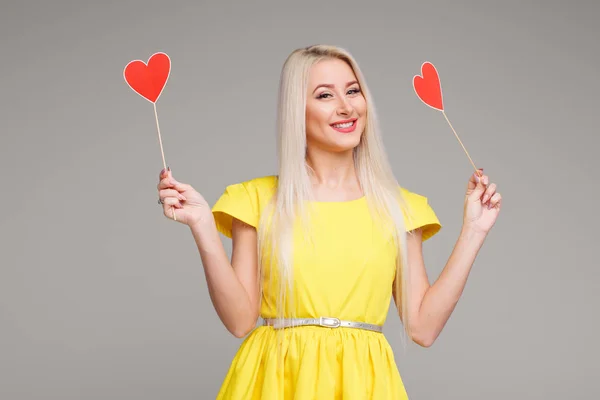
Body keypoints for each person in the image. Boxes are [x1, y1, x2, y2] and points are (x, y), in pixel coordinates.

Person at [156, 44, 502, 399]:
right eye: (325, 95)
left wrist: (474, 231)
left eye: (353, 90)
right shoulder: (255, 200)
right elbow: (239, 321)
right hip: (275, 382)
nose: (346, 106)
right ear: (297, 111)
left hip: (363, 385)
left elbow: (423, 328)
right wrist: (201, 226)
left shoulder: (400, 208)